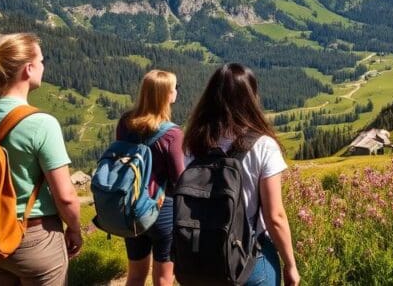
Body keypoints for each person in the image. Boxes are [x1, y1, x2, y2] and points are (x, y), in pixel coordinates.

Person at [0, 33, 82, 285]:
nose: (43, 66)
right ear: (28, 69)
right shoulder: (41, 123)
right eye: (41, 60)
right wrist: (74, 228)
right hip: (33, 237)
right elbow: (65, 196)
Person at [182, 63, 300, 286]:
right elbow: (275, 217)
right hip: (250, 256)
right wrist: (290, 265)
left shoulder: (193, 144)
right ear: (251, 97)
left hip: (201, 257)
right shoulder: (263, 145)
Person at [116, 70, 185, 286]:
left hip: (131, 209)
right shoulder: (171, 134)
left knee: (135, 276)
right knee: (163, 279)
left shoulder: (126, 123)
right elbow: (179, 179)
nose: (176, 91)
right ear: (166, 95)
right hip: (161, 211)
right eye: (174, 88)